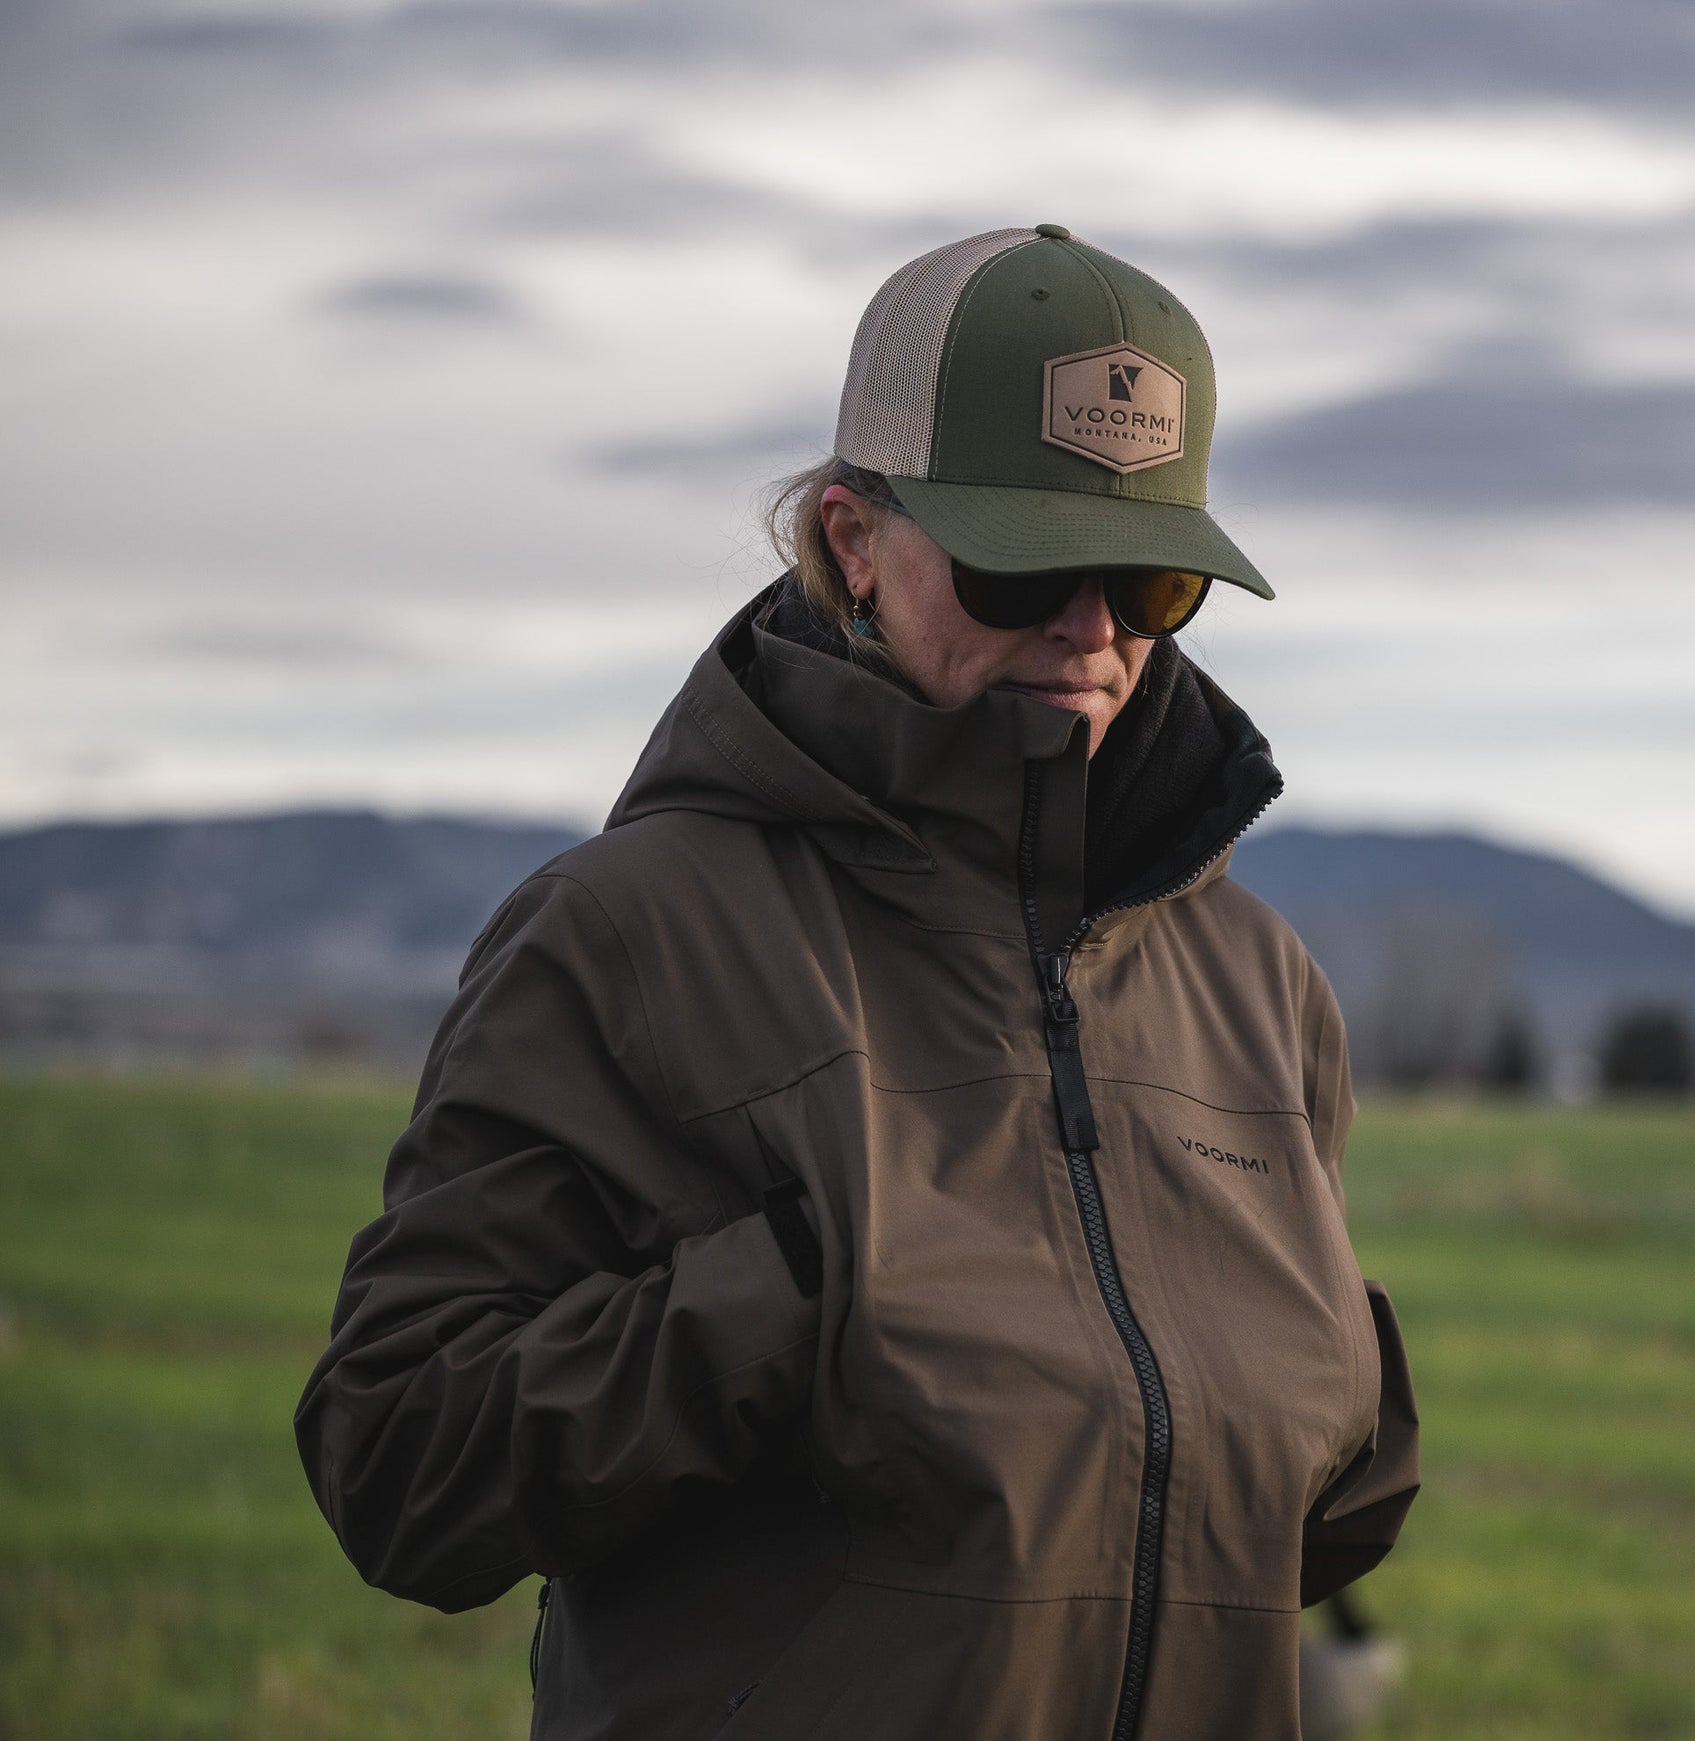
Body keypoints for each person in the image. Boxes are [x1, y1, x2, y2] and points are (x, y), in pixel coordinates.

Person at [296, 223, 1419, 1741]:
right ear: (851, 542)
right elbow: (400, 1462)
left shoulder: (1255, 977)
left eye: (1154, 579)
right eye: (1026, 563)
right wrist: (800, 1299)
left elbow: (1319, 1503)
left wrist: (1322, 1376)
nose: (1091, 629)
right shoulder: (626, 934)